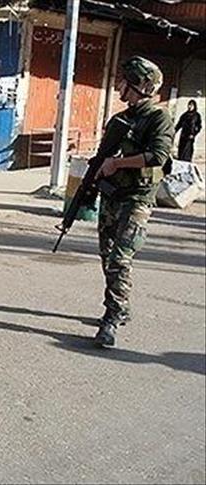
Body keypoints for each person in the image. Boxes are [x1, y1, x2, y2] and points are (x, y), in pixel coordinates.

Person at [92, 56, 174, 348]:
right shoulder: (120, 119)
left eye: (124, 81)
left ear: (139, 85)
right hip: (112, 195)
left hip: (137, 199)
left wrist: (118, 163)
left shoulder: (159, 118)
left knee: (120, 258)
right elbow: (103, 156)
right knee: (107, 256)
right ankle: (122, 305)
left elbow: (158, 156)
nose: (118, 86)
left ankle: (112, 318)